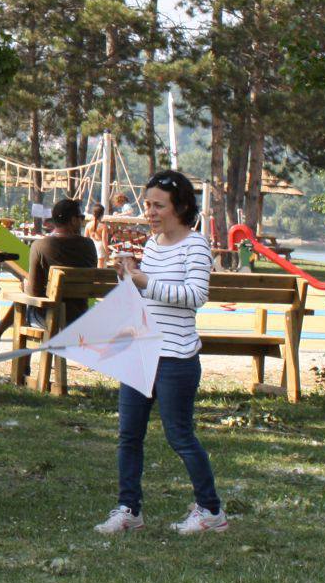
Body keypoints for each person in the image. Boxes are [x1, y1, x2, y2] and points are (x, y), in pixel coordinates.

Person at [96, 169, 227, 537]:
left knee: (179, 436)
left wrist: (144, 281)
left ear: (180, 207)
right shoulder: (153, 245)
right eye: (147, 204)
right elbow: (147, 296)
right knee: (129, 434)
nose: (150, 212)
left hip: (176, 358)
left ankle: (211, 512)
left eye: (158, 205)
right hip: (142, 351)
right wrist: (128, 278)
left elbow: (195, 297)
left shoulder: (196, 244)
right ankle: (129, 510)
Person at [0, 197, 98, 351]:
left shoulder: (40, 246)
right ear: (73, 220)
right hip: (80, 317)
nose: (82, 222)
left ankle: (1, 337)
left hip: (52, 320)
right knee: (30, 300)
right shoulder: (89, 245)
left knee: (25, 301)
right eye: (81, 218)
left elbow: (33, 293)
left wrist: (26, 285)